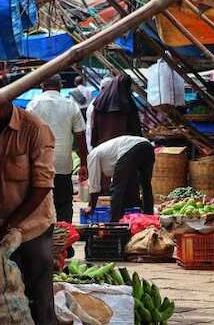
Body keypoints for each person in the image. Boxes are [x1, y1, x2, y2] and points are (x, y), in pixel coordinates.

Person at [0, 100, 58, 325]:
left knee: (39, 292)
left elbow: (43, 185)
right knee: (4, 295)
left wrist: (10, 224)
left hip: (32, 226)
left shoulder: (34, 128)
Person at [26, 74, 86, 224]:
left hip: (40, 166)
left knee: (40, 207)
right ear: (60, 86)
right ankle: (65, 236)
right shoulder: (71, 105)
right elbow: (80, 136)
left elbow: (26, 136)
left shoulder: (33, 105)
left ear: (42, 86)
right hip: (63, 166)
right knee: (64, 206)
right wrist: (83, 164)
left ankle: (45, 236)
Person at [85, 135, 154, 222]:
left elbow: (94, 186)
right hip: (147, 146)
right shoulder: (107, 155)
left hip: (130, 148)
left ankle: (114, 222)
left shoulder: (92, 156)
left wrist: (92, 206)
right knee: (146, 185)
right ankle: (149, 217)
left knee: (117, 189)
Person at [90, 74, 142, 148]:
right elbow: (135, 127)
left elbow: (94, 126)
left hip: (103, 145)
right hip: (123, 146)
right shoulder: (127, 104)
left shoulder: (99, 102)